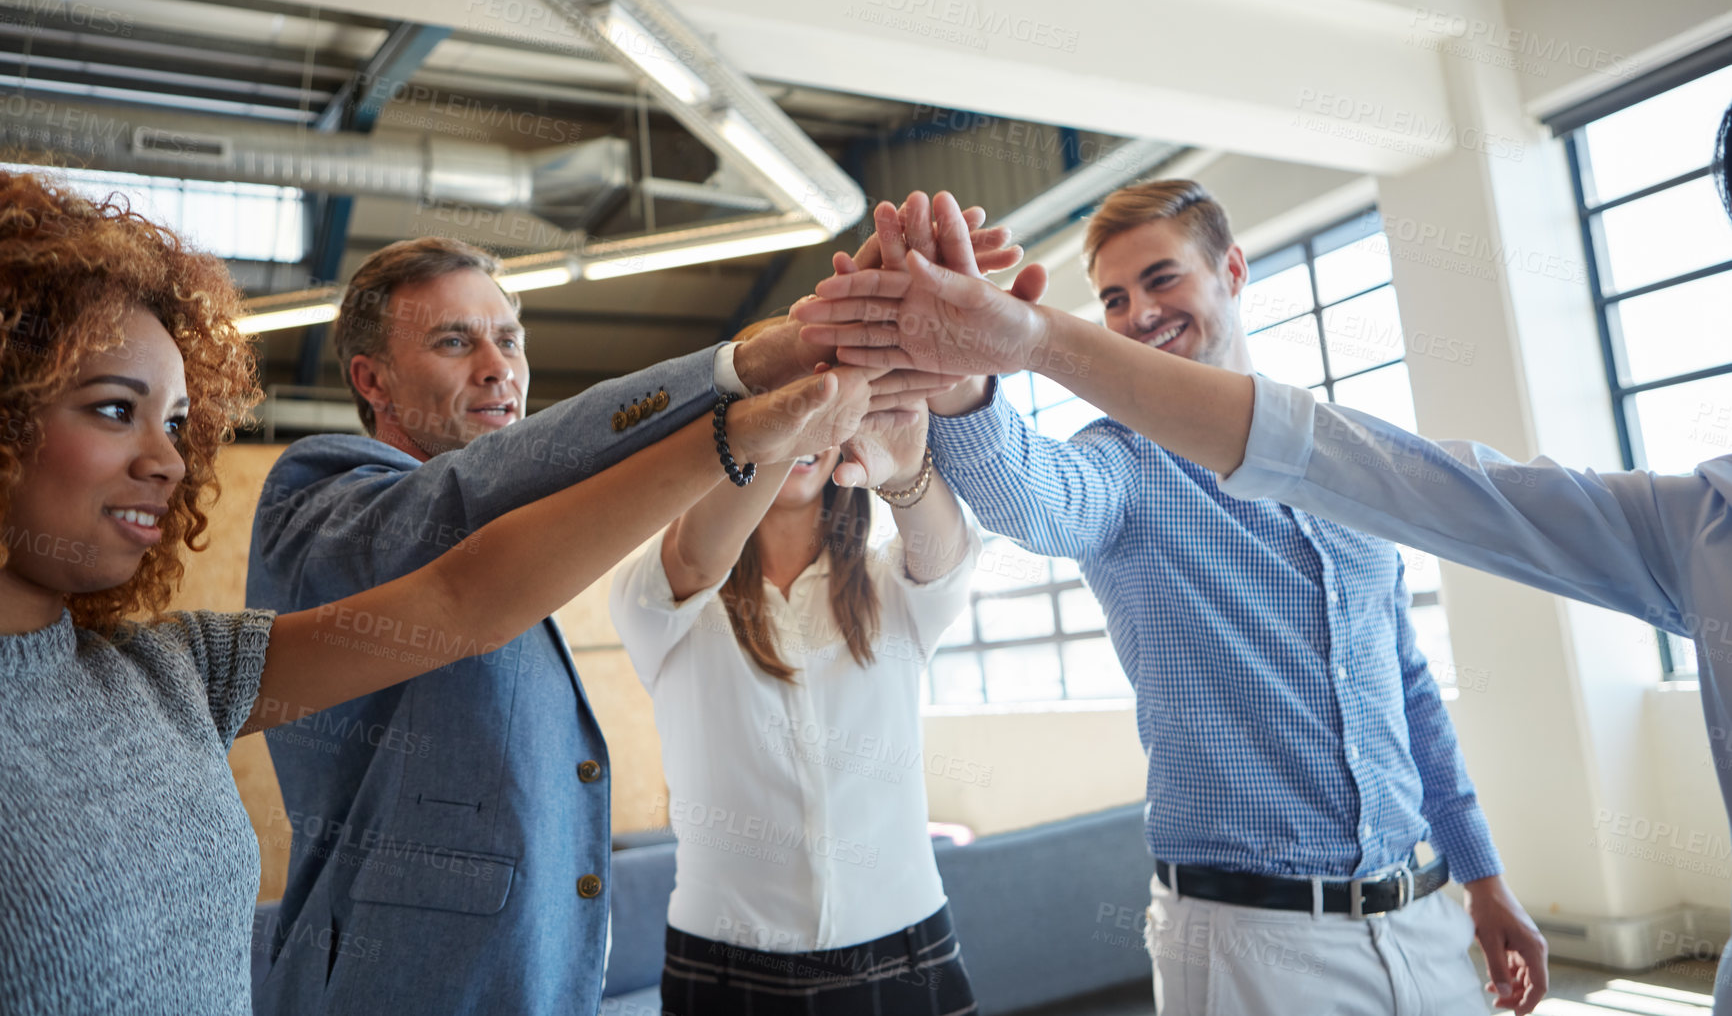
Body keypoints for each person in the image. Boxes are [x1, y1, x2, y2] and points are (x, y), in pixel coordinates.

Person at [809, 107, 1732, 1015]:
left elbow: (1405, 688)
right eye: (1115, 298)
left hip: (1423, 916)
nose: (1138, 314)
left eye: (1161, 279)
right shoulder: (1123, 464)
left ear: (1233, 270)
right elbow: (1030, 494)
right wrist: (971, 382)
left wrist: (1482, 876)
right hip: (1256, 945)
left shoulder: (1348, 473)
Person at [0, 168, 873, 1016]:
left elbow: (471, 594)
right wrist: (742, 372)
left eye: (181, 424)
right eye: (117, 409)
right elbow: (465, 538)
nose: (168, 460)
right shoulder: (325, 493)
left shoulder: (172, 672)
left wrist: (764, 417)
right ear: (372, 381)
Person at [247, 221, 1016, 1014]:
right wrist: (768, 386)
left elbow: (946, 557)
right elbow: (480, 521)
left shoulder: (519, 550)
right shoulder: (325, 498)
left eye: (509, 340)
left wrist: (865, 405)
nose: (496, 370)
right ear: (371, 381)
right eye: (454, 342)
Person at [609, 315, 982, 1016]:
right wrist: (794, 426)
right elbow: (695, 558)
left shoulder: (886, 585)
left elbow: (947, 558)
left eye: (818, 395)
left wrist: (905, 469)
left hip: (901, 941)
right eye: (773, 395)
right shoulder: (662, 591)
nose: (801, 409)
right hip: (726, 960)